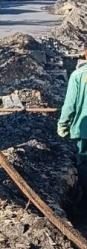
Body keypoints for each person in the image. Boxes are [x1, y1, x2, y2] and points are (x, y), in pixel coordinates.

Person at [57, 44, 87, 201]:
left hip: (84, 131)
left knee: (84, 164)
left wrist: (63, 125)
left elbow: (70, 105)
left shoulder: (78, 75)